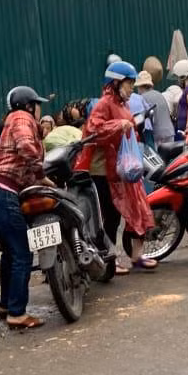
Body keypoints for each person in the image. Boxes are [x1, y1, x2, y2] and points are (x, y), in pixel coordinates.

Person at [0, 85, 51, 330]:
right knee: (23, 254)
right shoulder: (21, 118)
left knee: (9, 254)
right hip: (3, 195)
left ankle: (5, 306)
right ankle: (17, 313)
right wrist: (41, 173)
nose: (40, 109)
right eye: (37, 104)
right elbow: (25, 146)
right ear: (29, 105)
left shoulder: (8, 121)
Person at [74, 60, 157, 272]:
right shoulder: (103, 104)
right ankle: (108, 262)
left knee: (135, 210)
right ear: (115, 83)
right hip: (101, 171)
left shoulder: (123, 105)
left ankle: (136, 256)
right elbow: (93, 130)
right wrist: (119, 125)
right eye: (128, 84)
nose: (131, 89)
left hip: (122, 169)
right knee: (109, 217)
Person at [135, 71, 174, 147]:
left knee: (158, 158)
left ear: (140, 87)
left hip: (158, 135)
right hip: (169, 132)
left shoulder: (142, 98)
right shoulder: (159, 94)